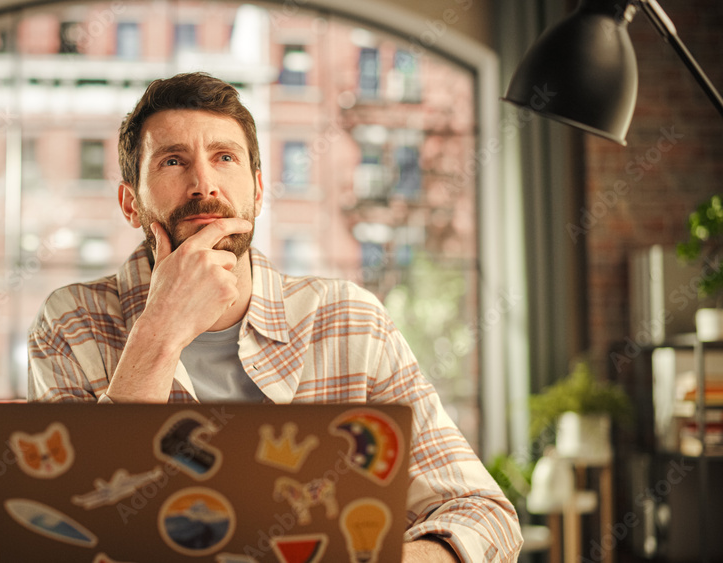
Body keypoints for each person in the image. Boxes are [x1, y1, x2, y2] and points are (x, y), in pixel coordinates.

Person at [28, 72, 522, 562]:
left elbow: (485, 516)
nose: (204, 185)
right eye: (173, 161)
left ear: (258, 191)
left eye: (225, 158)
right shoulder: (71, 324)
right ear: (130, 204)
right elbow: (73, 541)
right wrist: (160, 330)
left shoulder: (350, 321)